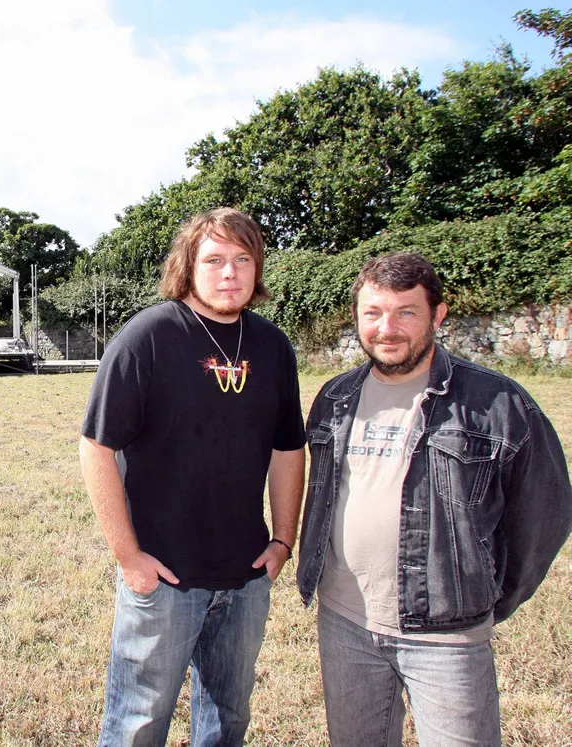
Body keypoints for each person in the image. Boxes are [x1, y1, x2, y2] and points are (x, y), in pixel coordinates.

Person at [297, 253, 572, 746]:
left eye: (406, 312)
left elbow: (545, 514)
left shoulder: (498, 403)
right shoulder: (334, 398)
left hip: (447, 636)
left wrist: (483, 594)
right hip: (344, 621)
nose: (387, 329)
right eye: (373, 313)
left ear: (437, 315)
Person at [80, 207, 306, 747]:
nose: (230, 272)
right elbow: (96, 447)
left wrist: (283, 540)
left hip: (246, 576)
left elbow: (287, 448)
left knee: (228, 719)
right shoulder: (149, 336)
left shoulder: (273, 347)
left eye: (243, 259)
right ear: (188, 266)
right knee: (137, 722)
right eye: (214, 260)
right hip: (164, 576)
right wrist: (128, 557)